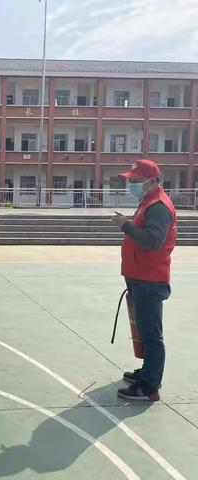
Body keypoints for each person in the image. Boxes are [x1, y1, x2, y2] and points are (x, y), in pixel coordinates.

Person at [111, 159, 176, 402]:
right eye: (131, 181)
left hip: (149, 280)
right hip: (140, 277)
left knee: (151, 333)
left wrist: (125, 225)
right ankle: (147, 373)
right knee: (144, 329)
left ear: (152, 181)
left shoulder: (158, 205)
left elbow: (153, 241)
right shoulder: (148, 201)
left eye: (136, 181)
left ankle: (150, 386)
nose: (132, 185)